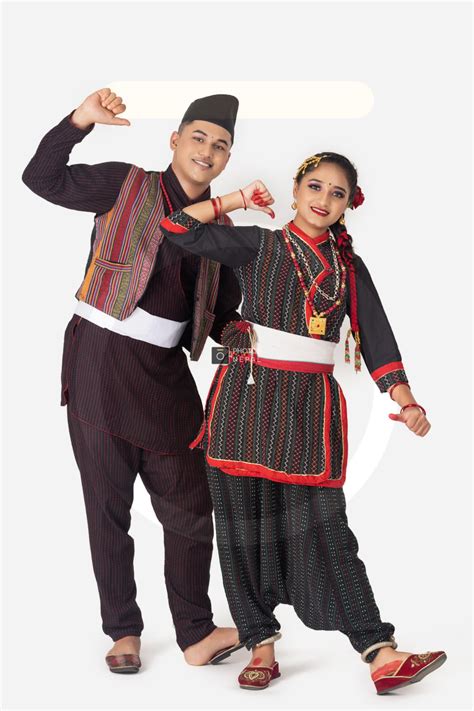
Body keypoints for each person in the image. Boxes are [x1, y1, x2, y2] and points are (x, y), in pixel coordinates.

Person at [159, 152, 447, 694]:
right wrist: (236, 200)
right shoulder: (258, 243)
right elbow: (176, 228)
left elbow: (377, 338)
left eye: (337, 193)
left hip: (308, 414)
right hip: (244, 403)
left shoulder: (347, 268)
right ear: (295, 191)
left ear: (347, 206)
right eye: (315, 186)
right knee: (240, 529)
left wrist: (406, 401)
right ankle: (260, 645)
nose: (324, 199)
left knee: (329, 532)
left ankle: (380, 653)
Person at [22, 88, 247, 673]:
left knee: (192, 507)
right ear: (174, 141)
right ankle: (122, 631)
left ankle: (196, 632)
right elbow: (40, 178)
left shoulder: (222, 230)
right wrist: (79, 121)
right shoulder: (125, 184)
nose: (208, 150)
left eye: (220, 145)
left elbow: (220, 315)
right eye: (198, 137)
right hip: (99, 358)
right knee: (106, 505)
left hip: (167, 377)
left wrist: (247, 335)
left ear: (227, 159)